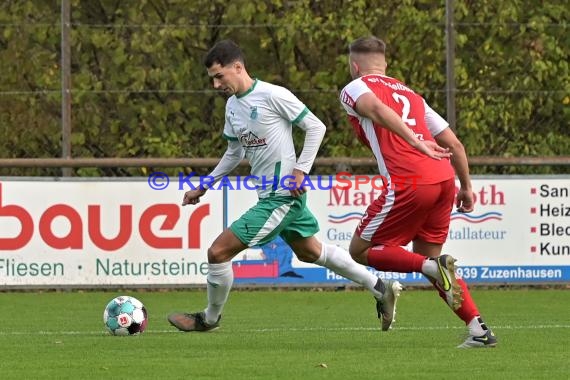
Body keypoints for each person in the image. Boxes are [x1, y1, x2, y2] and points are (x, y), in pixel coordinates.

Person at [166, 39, 439, 333]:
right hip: (273, 195)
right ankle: (380, 287)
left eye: (219, 76)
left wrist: (300, 171)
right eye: (212, 79)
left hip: (282, 196)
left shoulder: (273, 95)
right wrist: (204, 185)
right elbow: (234, 153)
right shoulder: (233, 107)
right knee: (310, 252)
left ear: (238, 67)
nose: (216, 85)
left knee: (218, 252)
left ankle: (208, 319)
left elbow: (315, 126)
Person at [339, 36, 497, 348]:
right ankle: (478, 330)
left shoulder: (355, 87)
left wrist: (413, 142)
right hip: (443, 180)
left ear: (355, 65)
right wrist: (465, 186)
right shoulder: (412, 95)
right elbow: (454, 144)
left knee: (359, 250)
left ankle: (431, 267)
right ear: (386, 64)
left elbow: (376, 109)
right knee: (431, 257)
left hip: (410, 180)